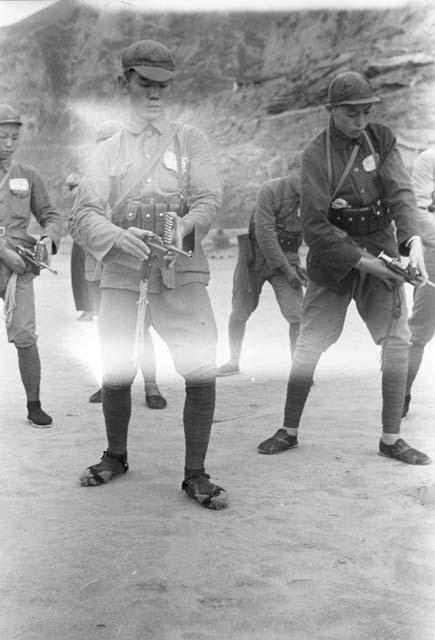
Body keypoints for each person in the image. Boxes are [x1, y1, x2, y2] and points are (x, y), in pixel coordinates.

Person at [70, 39, 228, 509]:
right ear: (125, 84)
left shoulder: (190, 139)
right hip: (121, 272)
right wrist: (117, 237)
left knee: (201, 372)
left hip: (181, 272)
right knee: (117, 370)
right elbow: (82, 215)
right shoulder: (107, 151)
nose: (155, 93)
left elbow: (209, 199)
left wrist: (185, 223)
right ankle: (115, 456)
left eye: (164, 84)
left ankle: (195, 475)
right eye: (145, 83)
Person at [257, 71, 431, 465]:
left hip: (381, 248)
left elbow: (401, 192)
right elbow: (315, 226)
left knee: (397, 342)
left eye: (366, 111)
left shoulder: (382, 139)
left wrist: (412, 240)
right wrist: (366, 264)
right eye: (352, 112)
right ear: (331, 110)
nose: (361, 120)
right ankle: (289, 429)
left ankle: (391, 438)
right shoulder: (314, 156)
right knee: (309, 345)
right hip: (334, 261)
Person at [85, 120, 167, 409]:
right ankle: (108, 383)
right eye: (100, 143)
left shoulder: (136, 182)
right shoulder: (91, 182)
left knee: (141, 328)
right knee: (107, 329)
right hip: (97, 267)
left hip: (129, 266)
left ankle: (151, 386)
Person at [0, 104, 62, 427]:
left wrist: (46, 241)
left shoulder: (28, 176)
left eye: (14, 138)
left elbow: (51, 216)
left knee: (25, 336)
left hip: (19, 269)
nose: (8, 145)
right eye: (2, 137)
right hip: (4, 257)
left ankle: (34, 404)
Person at [217, 159, 304, 376]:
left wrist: (300, 268)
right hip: (254, 258)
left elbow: (319, 232)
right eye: (301, 174)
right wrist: (287, 269)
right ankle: (233, 361)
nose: (306, 181)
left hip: (287, 259)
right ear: (290, 170)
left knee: (298, 315)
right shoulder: (270, 190)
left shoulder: (314, 198)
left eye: (312, 176)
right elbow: (264, 234)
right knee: (240, 311)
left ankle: (298, 368)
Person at [402, 147, 435, 416]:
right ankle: (401, 393)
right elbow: (418, 212)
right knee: (420, 331)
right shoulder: (429, 158)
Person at [67, 171, 96, 322]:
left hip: (88, 241)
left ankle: (90, 310)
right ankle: (89, 309)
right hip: (84, 241)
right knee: (84, 277)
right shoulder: (83, 197)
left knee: (85, 277)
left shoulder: (83, 196)